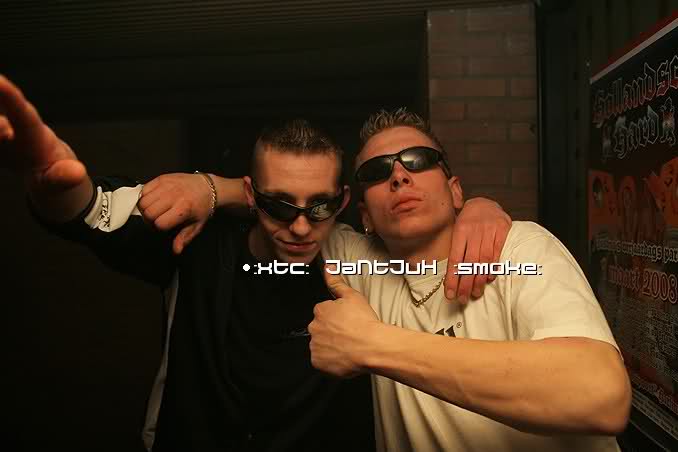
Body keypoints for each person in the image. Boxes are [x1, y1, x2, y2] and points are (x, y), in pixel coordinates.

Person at [0, 75, 510, 451]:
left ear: (343, 201)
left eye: (320, 207)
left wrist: (478, 208)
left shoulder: (355, 260)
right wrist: (55, 187)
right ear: (249, 195)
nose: (301, 227)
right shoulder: (197, 246)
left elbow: (422, 235)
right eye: (279, 206)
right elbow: (93, 213)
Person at [307, 109, 632, 451]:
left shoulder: (519, 251)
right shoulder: (361, 265)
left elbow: (602, 396)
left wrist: (372, 345)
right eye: (377, 171)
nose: (399, 176)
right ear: (366, 216)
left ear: (456, 192)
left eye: (418, 160)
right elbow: (283, 213)